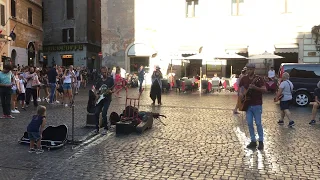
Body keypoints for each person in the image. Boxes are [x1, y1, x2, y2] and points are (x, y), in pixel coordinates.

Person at [239, 63, 267, 150]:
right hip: (247, 104)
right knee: (249, 123)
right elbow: (240, 88)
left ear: (254, 70)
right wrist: (241, 94)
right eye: (248, 69)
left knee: (258, 123)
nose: (249, 71)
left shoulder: (259, 79)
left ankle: (261, 141)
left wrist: (255, 88)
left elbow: (264, 89)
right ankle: (253, 141)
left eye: (250, 69)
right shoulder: (244, 78)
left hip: (257, 104)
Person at [94, 66, 114, 135]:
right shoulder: (99, 80)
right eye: (102, 72)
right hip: (100, 99)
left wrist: (110, 91)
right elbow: (96, 89)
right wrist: (97, 95)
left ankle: (105, 128)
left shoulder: (111, 80)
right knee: (96, 112)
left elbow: (113, 89)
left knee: (104, 113)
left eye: (105, 72)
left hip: (107, 99)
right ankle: (97, 128)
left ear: (107, 72)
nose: (104, 74)